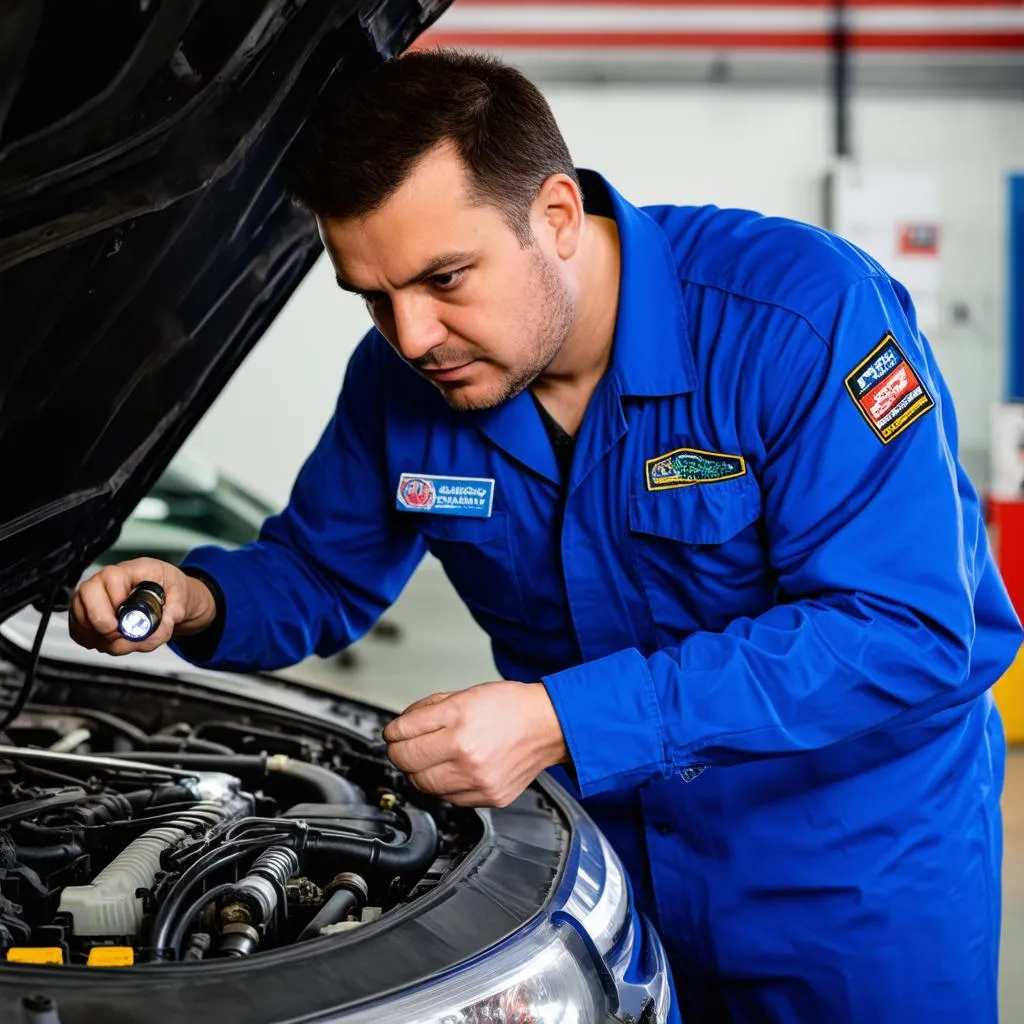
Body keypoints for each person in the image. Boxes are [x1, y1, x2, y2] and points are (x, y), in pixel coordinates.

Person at [68, 50, 1021, 1023]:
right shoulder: (399, 383)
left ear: (556, 215)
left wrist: (564, 719)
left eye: (446, 277)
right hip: (600, 868)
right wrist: (200, 598)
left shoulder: (798, 320)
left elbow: (907, 628)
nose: (413, 335)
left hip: (852, 878)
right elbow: (317, 571)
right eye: (372, 296)